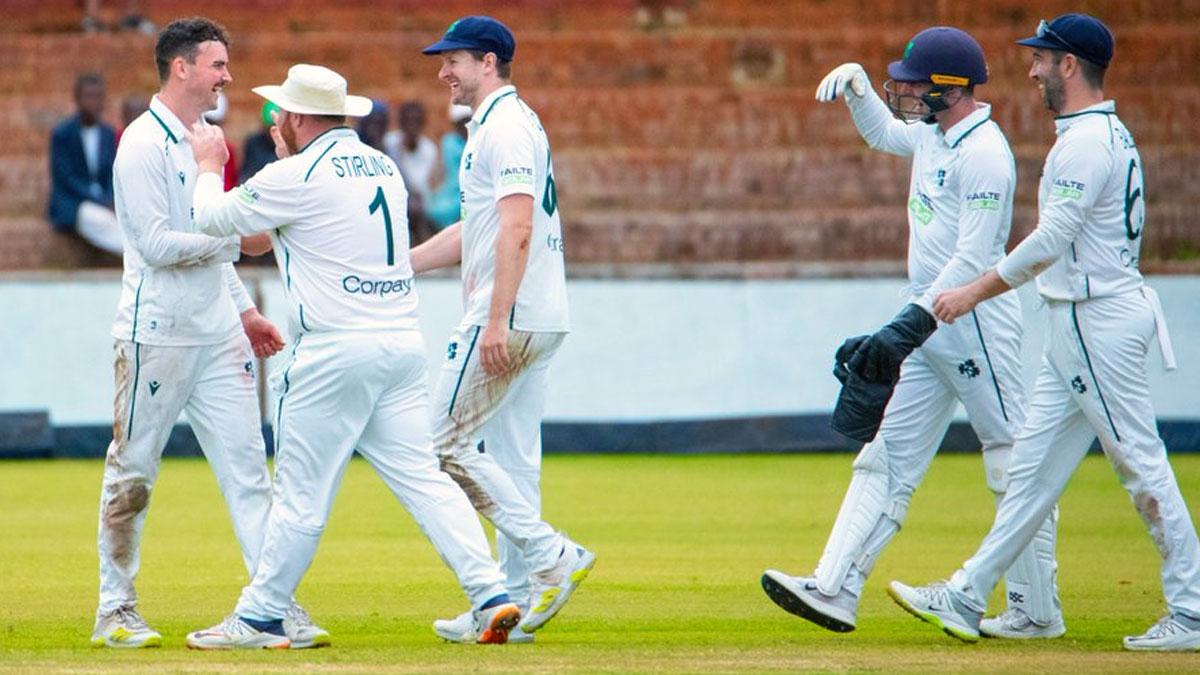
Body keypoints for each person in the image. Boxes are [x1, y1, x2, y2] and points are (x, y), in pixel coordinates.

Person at [183, 63, 525, 649]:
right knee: (426, 480)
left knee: (300, 495)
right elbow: (297, 231)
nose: (275, 122)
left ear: (295, 117)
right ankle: (490, 592)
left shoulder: (293, 171)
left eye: (280, 114)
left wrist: (210, 166)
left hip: (333, 353)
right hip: (398, 345)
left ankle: (261, 614)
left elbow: (211, 218)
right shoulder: (381, 165)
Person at [888, 14, 1200, 652]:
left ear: (1069, 64)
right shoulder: (1097, 133)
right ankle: (981, 595)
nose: (1030, 71)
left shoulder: (1084, 143)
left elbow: (1050, 241)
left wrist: (971, 291)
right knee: (1029, 473)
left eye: (1041, 59)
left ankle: (1193, 610)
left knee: (1140, 466)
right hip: (1079, 319)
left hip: (1096, 318)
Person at [760, 26, 1065, 639]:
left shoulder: (985, 155)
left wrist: (906, 325)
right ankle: (836, 587)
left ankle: (1036, 609)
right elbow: (882, 132)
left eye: (912, 82)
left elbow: (972, 258)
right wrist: (856, 86)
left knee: (1009, 460)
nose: (901, 90)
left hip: (975, 321)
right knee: (885, 458)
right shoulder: (933, 134)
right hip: (926, 323)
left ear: (951, 89)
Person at [90, 17, 327, 650]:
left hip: (220, 333)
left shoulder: (206, 139)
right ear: (182, 68)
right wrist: (239, 242)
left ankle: (273, 606)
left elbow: (205, 239)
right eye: (218, 64)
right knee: (134, 471)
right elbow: (155, 245)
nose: (228, 75)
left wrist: (244, 310)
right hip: (157, 333)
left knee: (251, 473)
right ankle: (115, 610)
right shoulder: (140, 143)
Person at [415, 15, 594, 645]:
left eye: (453, 61)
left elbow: (516, 228)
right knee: (514, 463)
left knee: (439, 444)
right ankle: (510, 605)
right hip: (539, 315)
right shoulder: (502, 125)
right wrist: (403, 266)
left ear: (488, 62)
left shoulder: (506, 127)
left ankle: (554, 556)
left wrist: (496, 318)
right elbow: (481, 229)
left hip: (510, 317)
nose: (444, 73)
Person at [47, 72, 123, 256]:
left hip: (106, 202)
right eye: (89, 96)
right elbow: (65, 178)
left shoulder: (107, 133)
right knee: (95, 217)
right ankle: (133, 253)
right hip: (75, 203)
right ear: (78, 99)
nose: (95, 102)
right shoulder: (62, 134)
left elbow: (112, 174)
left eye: (99, 97)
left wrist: (110, 199)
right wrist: (100, 201)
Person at [384, 100, 439, 243]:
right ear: (401, 123)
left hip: (418, 202)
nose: (412, 126)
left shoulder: (428, 148)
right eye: (408, 121)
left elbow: (418, 183)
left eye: (416, 121)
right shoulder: (389, 143)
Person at [426, 102, 472, 228]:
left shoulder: (478, 142)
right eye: (461, 123)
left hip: (470, 194)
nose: (465, 127)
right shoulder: (448, 142)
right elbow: (437, 173)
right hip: (449, 196)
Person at [202, 92, 239, 191]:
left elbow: (229, 185)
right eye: (207, 122)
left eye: (214, 123)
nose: (210, 127)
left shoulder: (227, 149)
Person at [240, 101, 280, 183]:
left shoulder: (290, 144)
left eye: (276, 127)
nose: (273, 132)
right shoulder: (254, 142)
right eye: (269, 127)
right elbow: (246, 173)